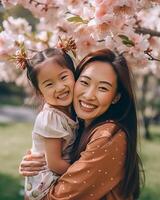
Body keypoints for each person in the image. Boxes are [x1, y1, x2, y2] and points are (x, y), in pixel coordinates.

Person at [19, 48, 144, 200]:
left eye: (103, 88)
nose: (89, 95)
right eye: (84, 82)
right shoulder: (79, 124)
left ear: (116, 97)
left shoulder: (107, 136)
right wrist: (36, 164)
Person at [21, 47, 77, 200]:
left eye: (63, 77)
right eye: (49, 84)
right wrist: (82, 172)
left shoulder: (72, 109)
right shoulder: (50, 118)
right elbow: (55, 164)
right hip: (46, 184)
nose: (60, 87)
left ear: (74, 74)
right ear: (40, 92)